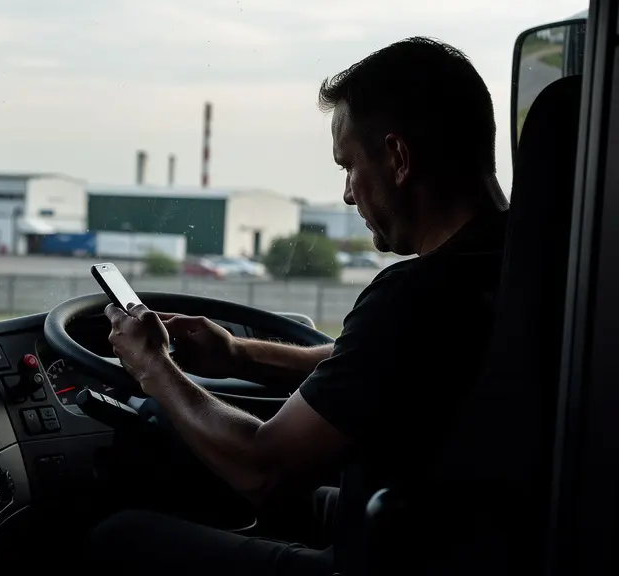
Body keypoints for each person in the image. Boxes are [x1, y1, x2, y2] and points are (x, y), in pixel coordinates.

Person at [85, 37, 510, 576]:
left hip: (392, 558)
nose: (349, 194)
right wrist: (239, 354)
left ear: (398, 158)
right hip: (450, 529)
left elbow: (264, 469)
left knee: (119, 539)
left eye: (349, 166)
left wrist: (154, 368)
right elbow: (365, 366)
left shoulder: (416, 295)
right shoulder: (528, 261)